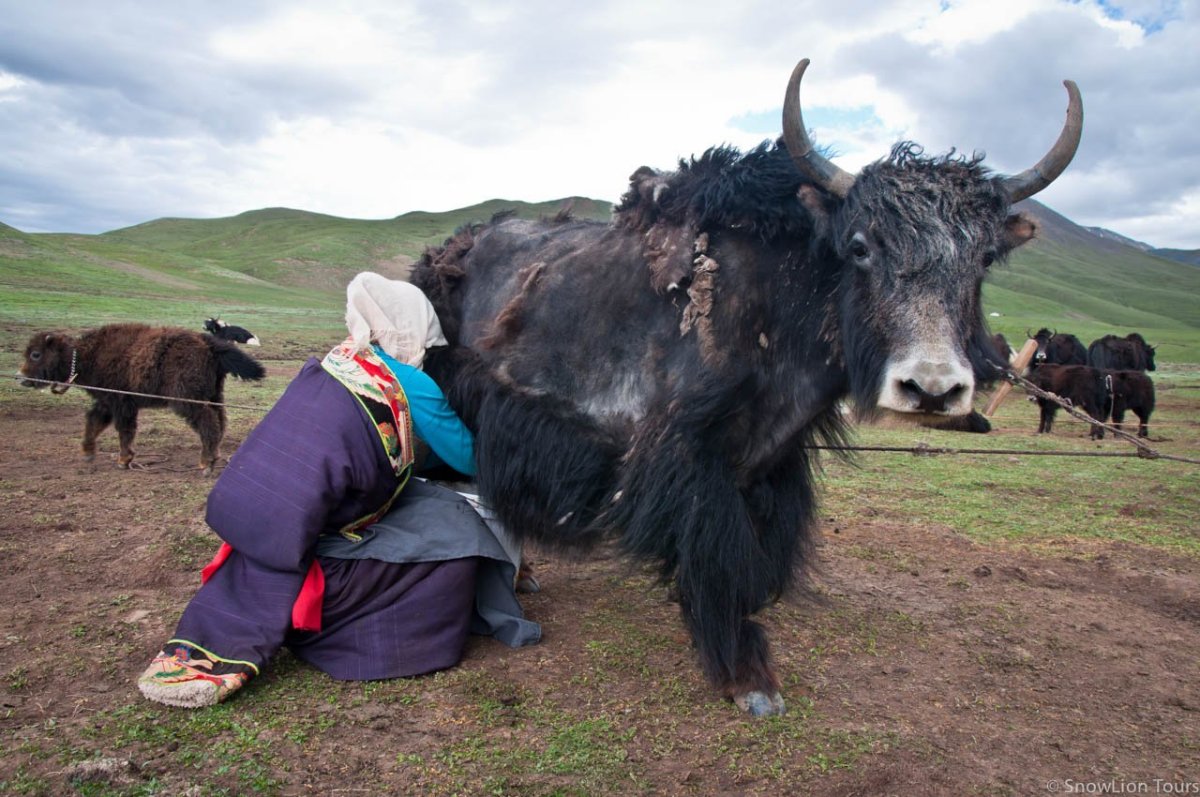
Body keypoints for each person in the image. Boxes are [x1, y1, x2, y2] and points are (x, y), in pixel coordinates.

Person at [138, 273, 538, 708]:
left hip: (266, 526)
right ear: (411, 326)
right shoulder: (409, 383)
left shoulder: (334, 362)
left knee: (422, 504)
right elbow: (466, 459)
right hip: (325, 545)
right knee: (458, 532)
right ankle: (362, 633)